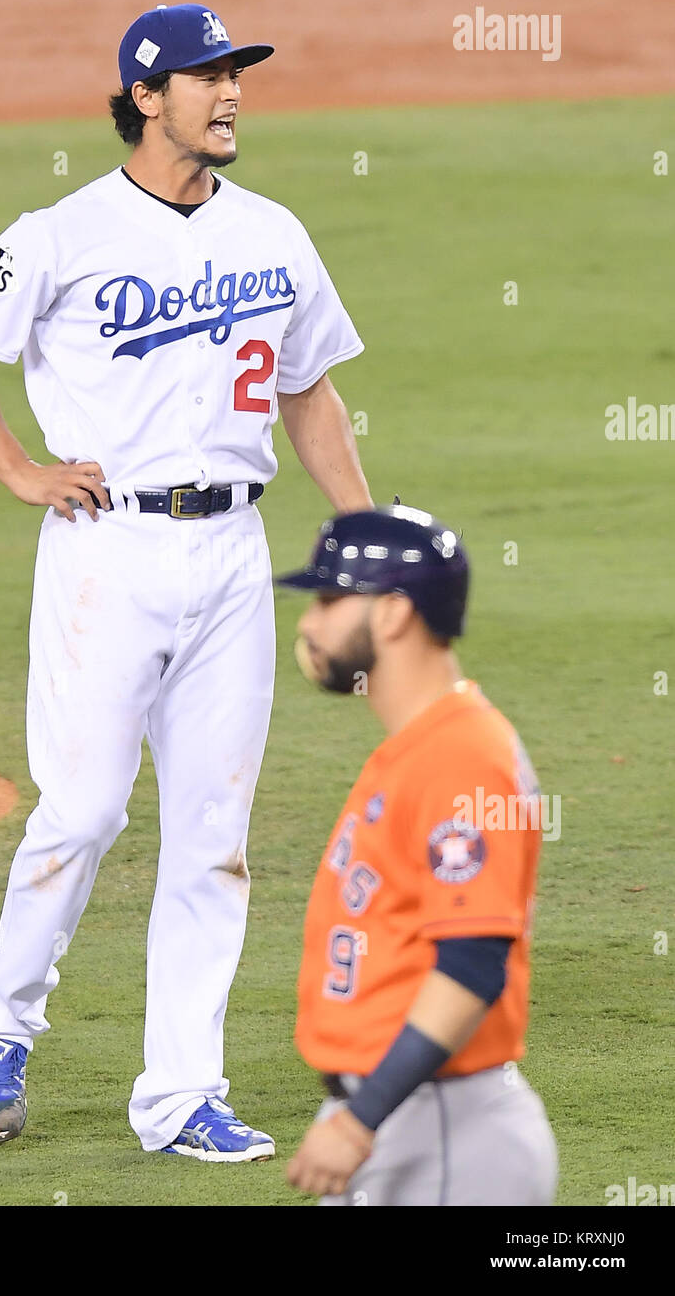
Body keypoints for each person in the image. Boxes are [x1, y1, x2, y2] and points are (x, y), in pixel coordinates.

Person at [0, 3, 372, 1159]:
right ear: (142, 97)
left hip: (231, 559)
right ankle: (1, 1022)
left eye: (235, 76)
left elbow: (308, 391)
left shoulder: (272, 232)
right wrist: (18, 467)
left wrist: (363, 536)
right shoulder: (61, 233)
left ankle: (179, 1096)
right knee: (82, 813)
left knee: (213, 837)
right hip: (107, 555)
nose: (228, 94)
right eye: (204, 76)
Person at [276, 505, 558, 1203]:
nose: (310, 622)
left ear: (394, 613)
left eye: (331, 598)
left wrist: (359, 1121)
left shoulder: (462, 759)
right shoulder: (417, 749)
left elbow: (471, 964)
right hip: (400, 1115)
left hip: (438, 1132)